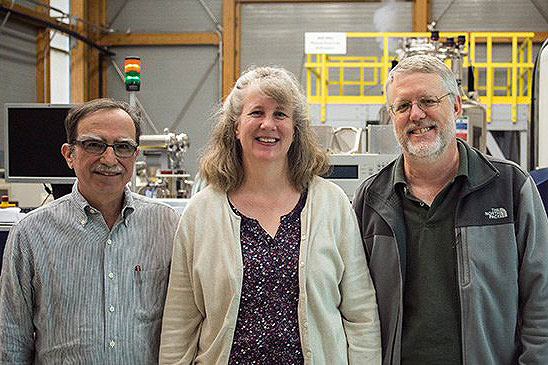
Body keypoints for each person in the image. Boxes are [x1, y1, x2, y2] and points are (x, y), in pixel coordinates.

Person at [159, 66, 381, 364]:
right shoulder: (201, 213)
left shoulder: (332, 204)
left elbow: (361, 315)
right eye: (256, 113)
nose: (268, 124)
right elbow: (179, 325)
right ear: (235, 126)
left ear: (295, 128)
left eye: (280, 114)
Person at [353, 54, 548, 364]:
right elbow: (354, 307)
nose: (416, 115)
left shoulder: (509, 187)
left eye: (428, 101)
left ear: (456, 106)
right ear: (392, 116)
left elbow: (542, 298)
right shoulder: (371, 200)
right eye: (402, 106)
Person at [0, 98, 180, 364]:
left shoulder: (166, 224)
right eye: (93, 144)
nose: (110, 159)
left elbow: (182, 324)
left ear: (135, 155)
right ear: (69, 154)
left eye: (123, 147)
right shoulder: (30, 233)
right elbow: (12, 339)